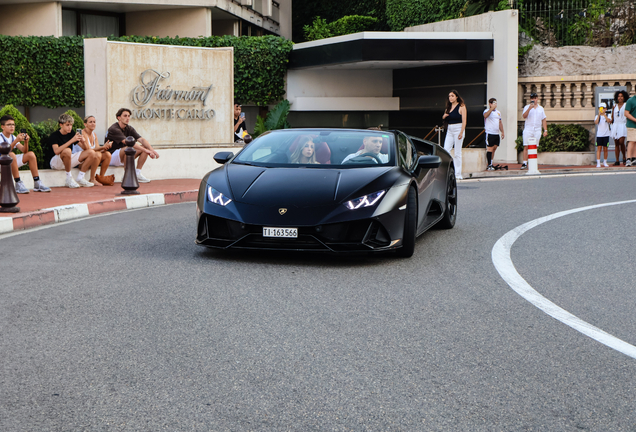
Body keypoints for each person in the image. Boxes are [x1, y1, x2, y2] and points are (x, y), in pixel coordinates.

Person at [106, 108, 159, 182]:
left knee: (144, 147)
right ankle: (127, 175)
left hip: (123, 156)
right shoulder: (114, 129)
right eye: (125, 116)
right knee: (128, 148)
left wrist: (152, 150)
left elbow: (141, 139)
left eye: (128, 116)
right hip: (110, 156)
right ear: (119, 117)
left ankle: (137, 174)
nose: (127, 118)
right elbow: (127, 142)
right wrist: (146, 150)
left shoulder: (129, 128)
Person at [0, 115, 50, 193]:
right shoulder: (0, 137)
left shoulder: (13, 137)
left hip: (9, 162)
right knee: (11, 155)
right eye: (9, 125)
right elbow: (5, 151)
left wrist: (26, 142)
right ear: (2, 126)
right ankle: (18, 183)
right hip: (1, 163)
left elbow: (24, 151)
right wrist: (16, 141)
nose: (12, 127)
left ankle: (37, 183)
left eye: (13, 124)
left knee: (30, 155)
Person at [49, 113, 99, 188]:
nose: (70, 127)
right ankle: (69, 178)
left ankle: (80, 177)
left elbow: (86, 149)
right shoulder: (54, 135)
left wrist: (83, 141)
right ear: (61, 125)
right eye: (67, 125)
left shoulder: (71, 133)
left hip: (68, 160)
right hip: (56, 162)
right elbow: (56, 151)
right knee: (67, 151)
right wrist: (72, 140)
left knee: (91, 152)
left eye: (71, 125)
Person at [75, 115, 114, 186]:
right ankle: (92, 179)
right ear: (85, 124)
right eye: (90, 122)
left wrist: (105, 147)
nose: (93, 123)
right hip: (81, 162)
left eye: (94, 122)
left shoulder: (94, 134)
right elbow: (88, 149)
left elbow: (97, 148)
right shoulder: (82, 133)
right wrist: (102, 148)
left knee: (107, 154)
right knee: (97, 154)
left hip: (91, 158)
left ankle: (101, 177)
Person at [442, 90, 467, 179]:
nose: (450, 98)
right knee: (446, 150)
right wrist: (444, 116)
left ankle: (458, 173)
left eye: (452, 96)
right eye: (449, 96)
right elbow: (444, 116)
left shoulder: (461, 106)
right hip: (450, 129)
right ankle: (447, 172)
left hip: (458, 128)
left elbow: (464, 121)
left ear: (456, 97)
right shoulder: (448, 107)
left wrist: (461, 132)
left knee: (457, 152)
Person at [520, 92, 547, 170]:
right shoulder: (527, 107)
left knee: (535, 146)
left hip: (537, 129)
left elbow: (544, 119)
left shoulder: (541, 108)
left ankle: (533, 162)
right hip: (528, 129)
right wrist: (529, 108)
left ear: (537, 99)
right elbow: (524, 116)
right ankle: (524, 163)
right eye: (532, 98)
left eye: (535, 98)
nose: (533, 100)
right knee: (526, 146)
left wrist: (545, 130)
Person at [483, 98, 505, 171]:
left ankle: (491, 163)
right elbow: (485, 116)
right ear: (490, 104)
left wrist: (502, 131)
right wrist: (491, 109)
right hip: (490, 132)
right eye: (493, 103)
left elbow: (500, 122)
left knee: (494, 148)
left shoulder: (498, 112)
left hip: (496, 133)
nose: (495, 105)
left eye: (495, 103)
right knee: (490, 148)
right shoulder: (487, 111)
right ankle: (489, 164)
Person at [611, 90, 629, 165]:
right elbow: (613, 117)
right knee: (616, 143)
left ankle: (624, 157)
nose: (620, 98)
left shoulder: (626, 105)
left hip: (622, 124)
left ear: (624, 97)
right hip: (616, 125)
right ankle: (617, 160)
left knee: (621, 142)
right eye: (619, 96)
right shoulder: (614, 106)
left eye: (621, 96)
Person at [594, 102, 611, 168]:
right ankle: (598, 162)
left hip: (606, 134)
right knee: (599, 148)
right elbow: (596, 122)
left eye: (603, 108)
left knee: (605, 148)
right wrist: (599, 115)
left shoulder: (607, 115)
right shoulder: (596, 116)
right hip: (599, 135)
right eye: (600, 108)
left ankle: (605, 161)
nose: (601, 110)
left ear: (605, 109)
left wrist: (604, 115)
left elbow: (609, 121)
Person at [623, 93, 636, 167]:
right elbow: (626, 113)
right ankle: (628, 159)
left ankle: (634, 159)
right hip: (631, 125)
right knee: (631, 141)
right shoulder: (630, 100)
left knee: (635, 142)